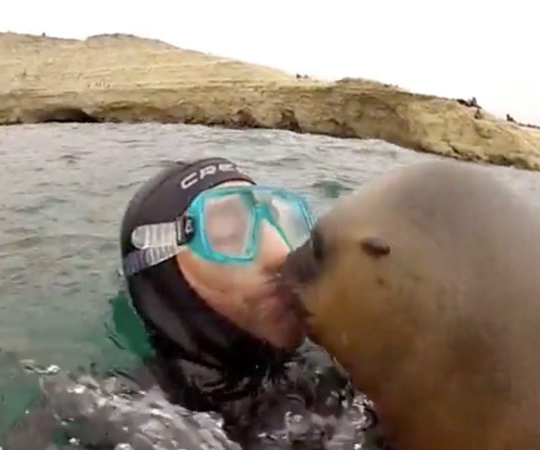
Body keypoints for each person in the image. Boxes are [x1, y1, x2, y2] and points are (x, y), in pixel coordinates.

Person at [115, 156, 386, 449]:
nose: (281, 253)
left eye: (284, 224)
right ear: (165, 276)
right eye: (230, 235)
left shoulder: (335, 372)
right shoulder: (128, 420)